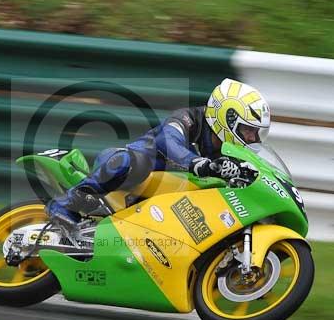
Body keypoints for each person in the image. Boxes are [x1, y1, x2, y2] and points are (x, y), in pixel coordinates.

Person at [45, 78, 271, 226]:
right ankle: (66, 203)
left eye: (255, 133)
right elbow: (169, 142)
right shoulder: (188, 119)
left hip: (166, 203)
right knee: (133, 161)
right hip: (130, 174)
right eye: (248, 130)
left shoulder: (227, 152)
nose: (251, 138)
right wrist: (198, 163)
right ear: (226, 118)